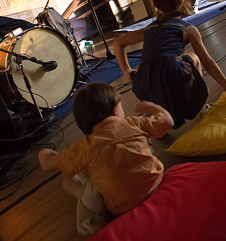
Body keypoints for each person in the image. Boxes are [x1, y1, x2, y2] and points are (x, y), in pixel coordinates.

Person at [37, 83, 173, 235]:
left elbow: (47, 164)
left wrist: (44, 152)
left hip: (121, 209)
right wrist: (154, 107)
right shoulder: (134, 124)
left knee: (69, 181)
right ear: (115, 111)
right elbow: (168, 122)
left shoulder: (84, 147)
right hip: (157, 186)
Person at [112, 0, 226, 129]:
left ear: (156, 5)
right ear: (181, 1)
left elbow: (118, 43)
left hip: (144, 79)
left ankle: (161, 122)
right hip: (171, 73)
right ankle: (202, 109)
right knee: (193, 58)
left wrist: (126, 70)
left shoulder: (149, 28)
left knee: (160, 75)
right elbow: (208, 62)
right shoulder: (187, 29)